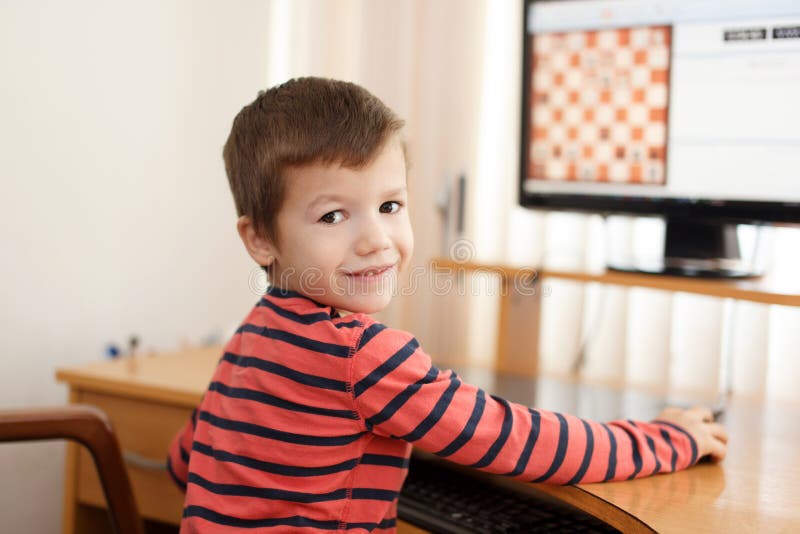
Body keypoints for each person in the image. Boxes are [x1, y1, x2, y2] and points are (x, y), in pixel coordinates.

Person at [167, 77, 728, 533]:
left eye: (390, 205)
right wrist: (667, 439)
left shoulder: (254, 333)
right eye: (333, 216)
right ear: (260, 237)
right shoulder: (361, 356)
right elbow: (520, 442)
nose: (375, 240)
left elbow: (184, 462)